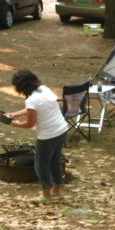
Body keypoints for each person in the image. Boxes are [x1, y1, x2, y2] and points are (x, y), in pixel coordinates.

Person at [7, 70, 68, 202]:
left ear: (20, 87)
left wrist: (14, 123)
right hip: (62, 129)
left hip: (48, 135)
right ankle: (57, 188)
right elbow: (34, 109)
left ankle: (46, 195)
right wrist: (15, 114)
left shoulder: (31, 100)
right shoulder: (43, 89)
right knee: (54, 161)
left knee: (41, 164)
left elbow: (29, 123)